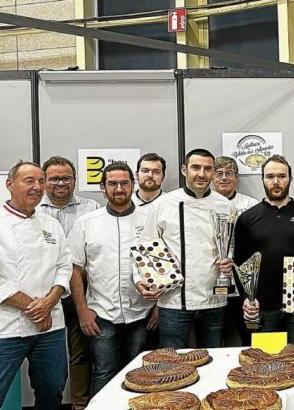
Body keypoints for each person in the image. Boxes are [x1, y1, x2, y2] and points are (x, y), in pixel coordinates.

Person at [68, 162, 156, 395]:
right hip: (101, 315)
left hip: (142, 314)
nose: (119, 189)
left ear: (132, 185)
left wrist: (159, 306)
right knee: (104, 372)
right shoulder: (86, 223)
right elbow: (74, 269)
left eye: (124, 183)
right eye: (113, 184)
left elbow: (163, 264)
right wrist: (82, 311)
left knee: (142, 374)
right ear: (103, 187)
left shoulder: (150, 219)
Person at [136, 148, 232, 348]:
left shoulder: (225, 205)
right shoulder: (164, 204)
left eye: (207, 169)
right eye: (195, 167)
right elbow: (146, 246)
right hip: (174, 303)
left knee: (213, 358)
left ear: (213, 173)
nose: (201, 174)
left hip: (214, 299)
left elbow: (233, 244)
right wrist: (142, 280)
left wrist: (230, 260)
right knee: (172, 362)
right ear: (184, 170)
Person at [0, 161, 73, 409]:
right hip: (8, 326)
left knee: (52, 389)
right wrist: (35, 308)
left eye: (41, 181)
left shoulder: (51, 224)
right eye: (29, 181)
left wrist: (50, 302)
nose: (37, 187)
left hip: (50, 327)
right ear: (10, 185)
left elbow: (65, 266)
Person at [234, 155, 294, 344]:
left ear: (290, 179)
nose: (276, 182)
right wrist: (246, 297)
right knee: (265, 362)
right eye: (269, 177)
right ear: (262, 179)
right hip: (261, 306)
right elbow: (239, 263)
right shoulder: (247, 218)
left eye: (281, 176)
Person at [38, 155, 100, 410]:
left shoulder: (92, 208)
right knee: (44, 357)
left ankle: (80, 404)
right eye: (53, 178)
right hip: (42, 294)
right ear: (44, 181)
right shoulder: (33, 209)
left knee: (81, 352)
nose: (60, 183)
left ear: (75, 180)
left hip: (78, 293)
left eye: (66, 178)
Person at [211, 156, 258, 347]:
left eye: (228, 173)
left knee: (249, 336)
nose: (224, 178)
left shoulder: (251, 206)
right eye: (219, 173)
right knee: (214, 337)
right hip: (213, 283)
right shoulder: (204, 204)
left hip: (243, 285)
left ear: (236, 177)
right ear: (212, 177)